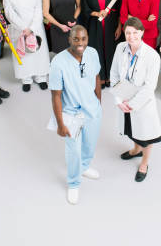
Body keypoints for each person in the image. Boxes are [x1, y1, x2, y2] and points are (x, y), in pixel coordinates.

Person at [49, 25, 102, 205]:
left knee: (90, 144)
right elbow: (56, 95)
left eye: (83, 39)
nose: (80, 43)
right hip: (71, 113)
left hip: (92, 110)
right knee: (74, 151)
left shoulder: (92, 53)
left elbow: (96, 77)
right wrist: (60, 123)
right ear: (69, 39)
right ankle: (73, 183)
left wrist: (98, 103)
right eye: (76, 39)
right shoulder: (58, 62)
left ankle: (85, 167)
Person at [110, 17, 161, 182]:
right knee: (131, 130)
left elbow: (149, 87)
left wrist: (132, 104)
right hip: (124, 98)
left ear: (142, 32)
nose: (131, 36)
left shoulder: (152, 56)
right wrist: (118, 100)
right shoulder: (120, 48)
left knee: (146, 135)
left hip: (141, 103)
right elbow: (114, 74)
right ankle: (135, 150)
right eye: (128, 33)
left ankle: (144, 163)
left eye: (135, 33)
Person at [3, 0, 50, 92]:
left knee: (38, 51)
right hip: (19, 28)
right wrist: (23, 27)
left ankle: (41, 76)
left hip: (35, 25)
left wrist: (32, 27)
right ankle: (26, 78)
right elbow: (9, 13)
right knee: (23, 54)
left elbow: (39, 7)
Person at [81, 0, 122, 87]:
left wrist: (119, 27)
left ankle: (111, 76)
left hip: (111, 26)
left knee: (111, 51)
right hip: (95, 26)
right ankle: (101, 77)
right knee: (97, 51)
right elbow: (85, 9)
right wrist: (97, 13)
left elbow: (121, 10)